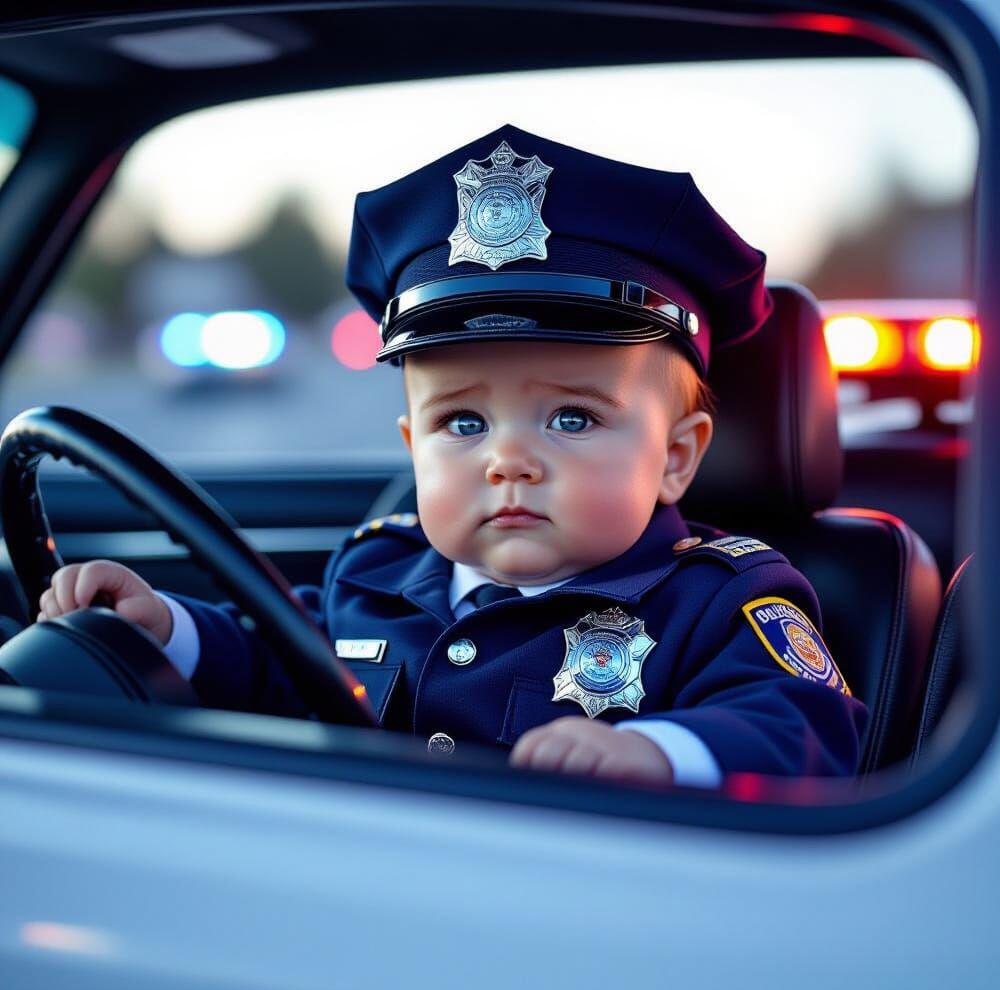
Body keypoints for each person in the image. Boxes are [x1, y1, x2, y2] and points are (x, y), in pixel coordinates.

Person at [36, 125, 866, 786]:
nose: (508, 460)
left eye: (573, 419)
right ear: (413, 446)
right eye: (462, 425)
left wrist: (660, 754)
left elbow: (811, 726)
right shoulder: (380, 572)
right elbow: (285, 663)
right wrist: (167, 629)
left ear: (675, 459)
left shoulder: (717, 598)